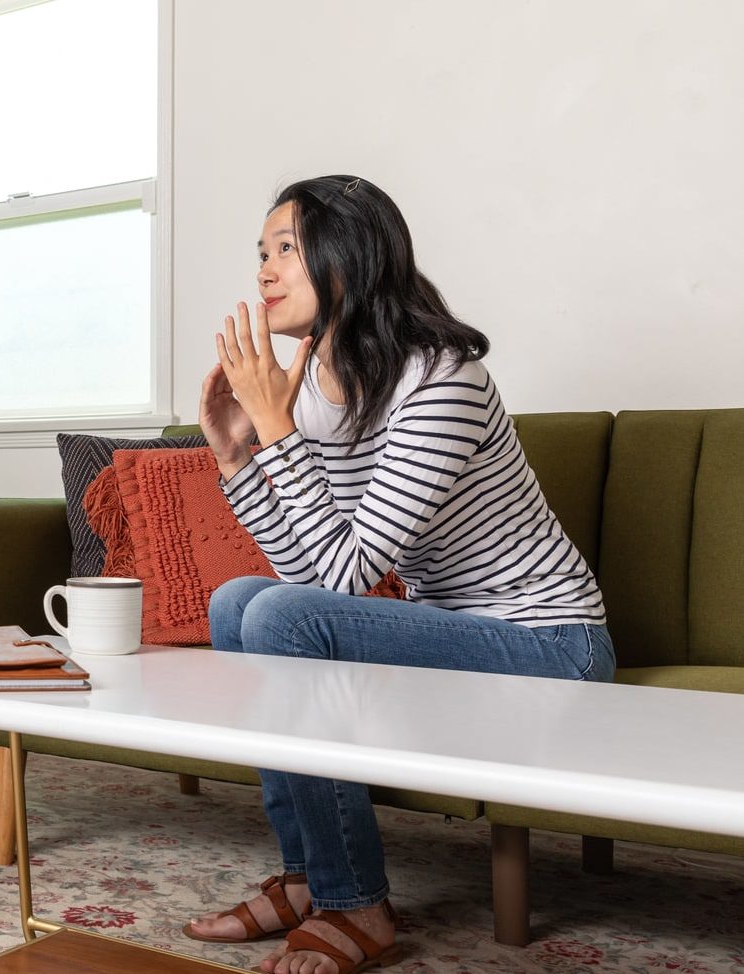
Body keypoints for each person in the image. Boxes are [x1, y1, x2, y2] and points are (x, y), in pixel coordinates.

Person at [182, 175, 611, 974]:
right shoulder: (311, 391)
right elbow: (303, 574)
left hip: (551, 642)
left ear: (352, 256)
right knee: (241, 602)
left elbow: (339, 585)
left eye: (286, 250)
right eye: (261, 254)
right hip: (450, 637)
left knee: (274, 614)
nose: (263, 273)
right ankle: (308, 876)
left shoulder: (441, 379)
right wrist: (237, 457)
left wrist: (274, 429)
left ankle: (356, 902)